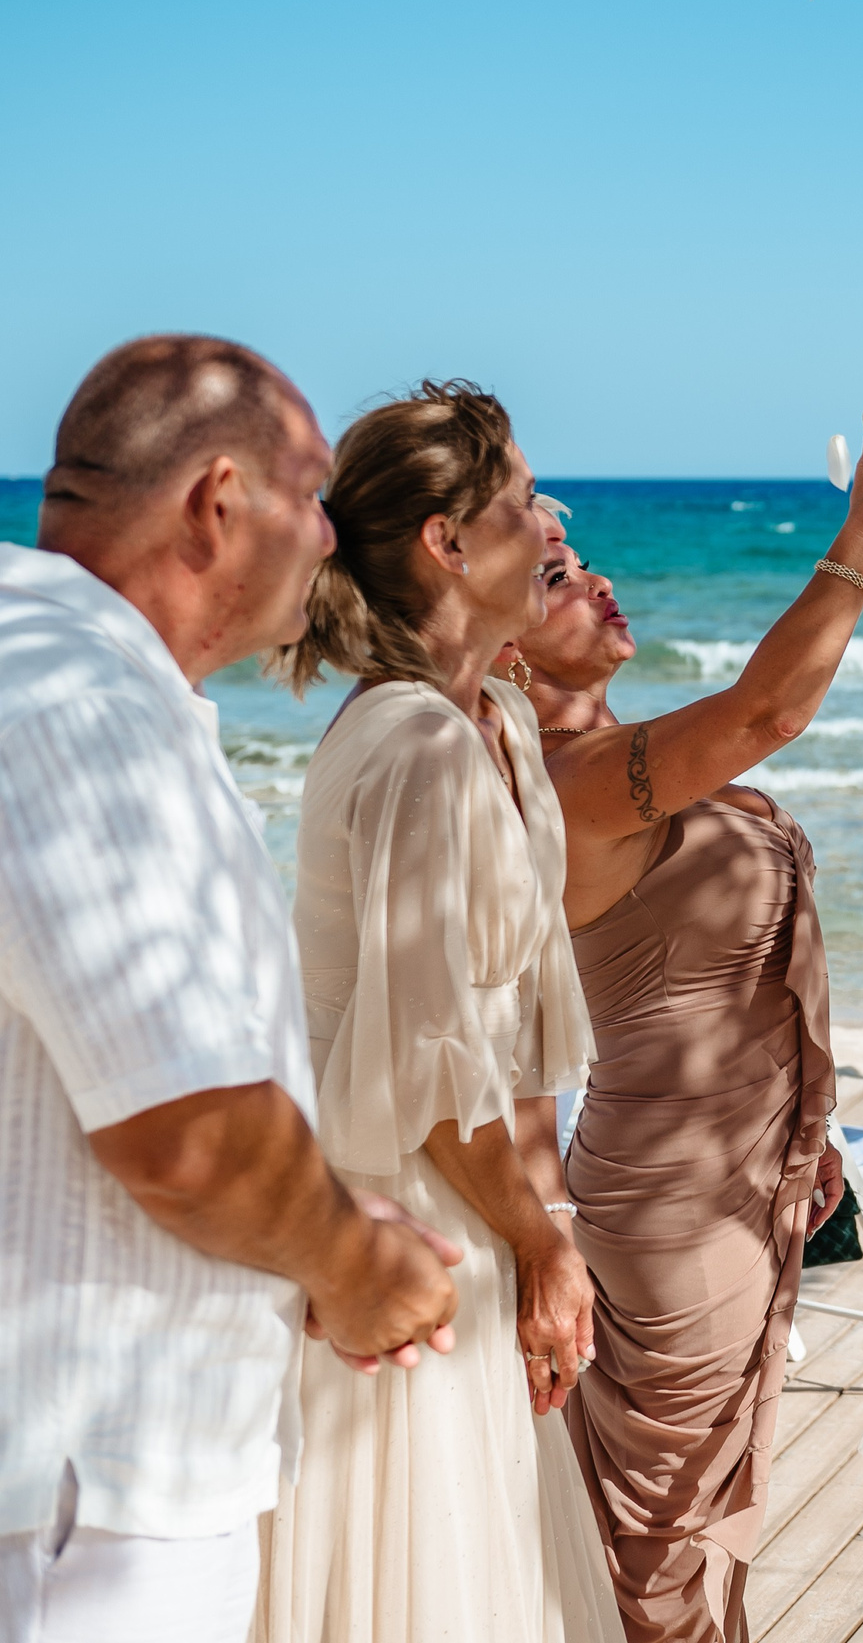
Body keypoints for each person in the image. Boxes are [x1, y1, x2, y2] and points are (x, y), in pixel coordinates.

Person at [503, 416, 863, 1642]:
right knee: (663, 1532)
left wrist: (810, 1126)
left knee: (717, 1507)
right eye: (556, 578)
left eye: (587, 562)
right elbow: (773, 709)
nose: (599, 581)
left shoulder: (633, 752)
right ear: (499, 649)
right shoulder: (563, 783)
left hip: (760, 1178)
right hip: (669, 1203)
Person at [0, 336, 462, 1643]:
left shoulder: (51, 669)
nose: (329, 536)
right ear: (218, 504)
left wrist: (303, 1239)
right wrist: (355, 1261)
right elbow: (189, 1130)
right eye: (311, 494)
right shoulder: (84, 708)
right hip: (84, 1509)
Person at [256, 381, 619, 1643]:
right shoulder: (416, 745)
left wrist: (546, 1226)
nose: (553, 513)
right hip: (401, 1228)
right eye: (524, 495)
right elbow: (423, 1069)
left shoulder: (500, 725)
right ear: (446, 541)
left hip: (470, 1206)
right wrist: (540, 1246)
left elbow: (505, 1046)